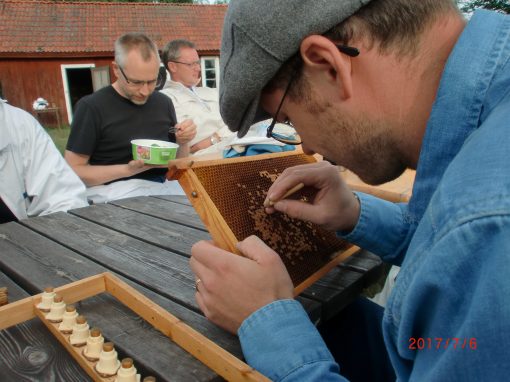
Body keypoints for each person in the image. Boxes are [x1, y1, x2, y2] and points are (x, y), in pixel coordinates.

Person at [189, 1, 510, 381]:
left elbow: (473, 237)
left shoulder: (490, 225)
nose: (306, 147)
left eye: (288, 119)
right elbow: (449, 246)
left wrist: (267, 320)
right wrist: (356, 215)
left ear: (329, 65)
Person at [65, 32, 196, 203]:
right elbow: (73, 171)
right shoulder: (92, 107)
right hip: (114, 193)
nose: (145, 91)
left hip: (165, 189)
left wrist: (183, 141)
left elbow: (178, 162)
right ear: (116, 70)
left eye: (152, 81)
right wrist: (129, 169)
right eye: (135, 82)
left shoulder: (163, 102)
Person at [0, 101, 88, 223]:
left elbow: (64, 196)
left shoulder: (19, 122)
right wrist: (124, 170)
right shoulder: (90, 106)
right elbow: (77, 167)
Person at [160, 39, 234, 156]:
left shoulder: (210, 92)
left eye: (197, 63)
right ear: (173, 67)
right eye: (191, 64)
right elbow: (193, 141)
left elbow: (238, 119)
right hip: (210, 159)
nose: (198, 68)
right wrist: (226, 132)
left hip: (236, 147)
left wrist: (215, 137)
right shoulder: (166, 99)